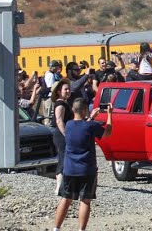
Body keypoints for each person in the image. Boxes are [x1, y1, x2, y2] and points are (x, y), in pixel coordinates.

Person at [50, 98, 111, 231]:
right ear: (85, 110)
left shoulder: (69, 125)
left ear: (73, 110)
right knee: (85, 200)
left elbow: (82, 126)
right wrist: (110, 115)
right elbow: (108, 132)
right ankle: (81, 229)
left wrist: (90, 118)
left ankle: (56, 228)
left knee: (66, 199)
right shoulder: (91, 126)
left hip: (70, 169)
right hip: (86, 169)